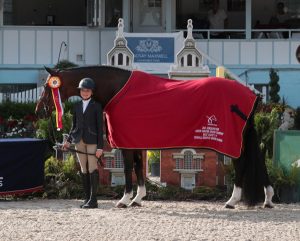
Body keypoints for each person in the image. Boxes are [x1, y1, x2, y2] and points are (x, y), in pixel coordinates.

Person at [63, 77, 103, 209]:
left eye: (88, 90)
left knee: (92, 168)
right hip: (78, 141)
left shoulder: (97, 106)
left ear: (92, 92)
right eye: (83, 90)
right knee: (83, 169)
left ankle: (94, 200)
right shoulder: (76, 106)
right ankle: (86, 198)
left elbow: (100, 128)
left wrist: (100, 147)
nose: (85, 92)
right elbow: (74, 126)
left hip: (92, 141)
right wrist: (68, 141)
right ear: (80, 92)